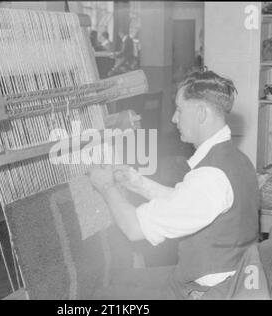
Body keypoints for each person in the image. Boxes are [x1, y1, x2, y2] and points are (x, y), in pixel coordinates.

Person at [88, 70, 260, 299]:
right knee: (120, 278)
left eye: (179, 109)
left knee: (101, 297)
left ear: (201, 113)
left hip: (209, 292)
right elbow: (185, 200)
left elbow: (133, 228)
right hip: (224, 277)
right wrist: (137, 183)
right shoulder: (236, 159)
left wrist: (106, 186)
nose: (174, 118)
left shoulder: (210, 177)